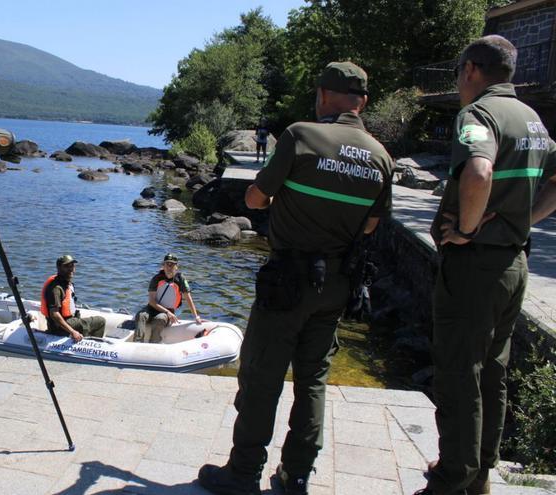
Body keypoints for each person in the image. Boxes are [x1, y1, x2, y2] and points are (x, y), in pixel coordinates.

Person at [197, 61, 394, 495]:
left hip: (287, 280)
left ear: (324, 95)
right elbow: (371, 226)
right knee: (313, 381)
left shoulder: (301, 135)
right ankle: (295, 476)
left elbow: (255, 197)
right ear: (361, 102)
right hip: (338, 284)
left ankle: (243, 473)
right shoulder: (381, 156)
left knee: (262, 375)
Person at [415, 35, 556, 495]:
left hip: (475, 266)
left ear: (472, 69)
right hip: (514, 264)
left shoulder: (479, 115)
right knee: (492, 372)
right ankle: (479, 476)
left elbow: (478, 171)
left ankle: (452, 480)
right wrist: (522, 218)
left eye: (458, 73)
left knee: (459, 372)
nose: (458, 83)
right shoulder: (532, 119)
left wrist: (471, 229)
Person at [134, 253, 202, 343]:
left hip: (169, 310)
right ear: (163, 265)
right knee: (141, 315)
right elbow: (151, 302)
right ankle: (138, 342)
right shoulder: (156, 278)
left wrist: (196, 316)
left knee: (159, 319)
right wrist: (167, 312)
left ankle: (154, 342)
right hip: (153, 307)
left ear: (176, 267)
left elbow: (188, 298)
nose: (169, 267)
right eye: (167, 264)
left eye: (172, 265)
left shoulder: (180, 279)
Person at [41, 255, 106, 342]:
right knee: (100, 321)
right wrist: (72, 331)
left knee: (83, 321)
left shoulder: (66, 283)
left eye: (72, 266)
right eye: (67, 266)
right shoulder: (56, 288)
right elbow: (54, 314)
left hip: (69, 321)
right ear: (59, 268)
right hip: (60, 327)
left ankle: (84, 339)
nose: (71, 269)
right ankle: (93, 345)